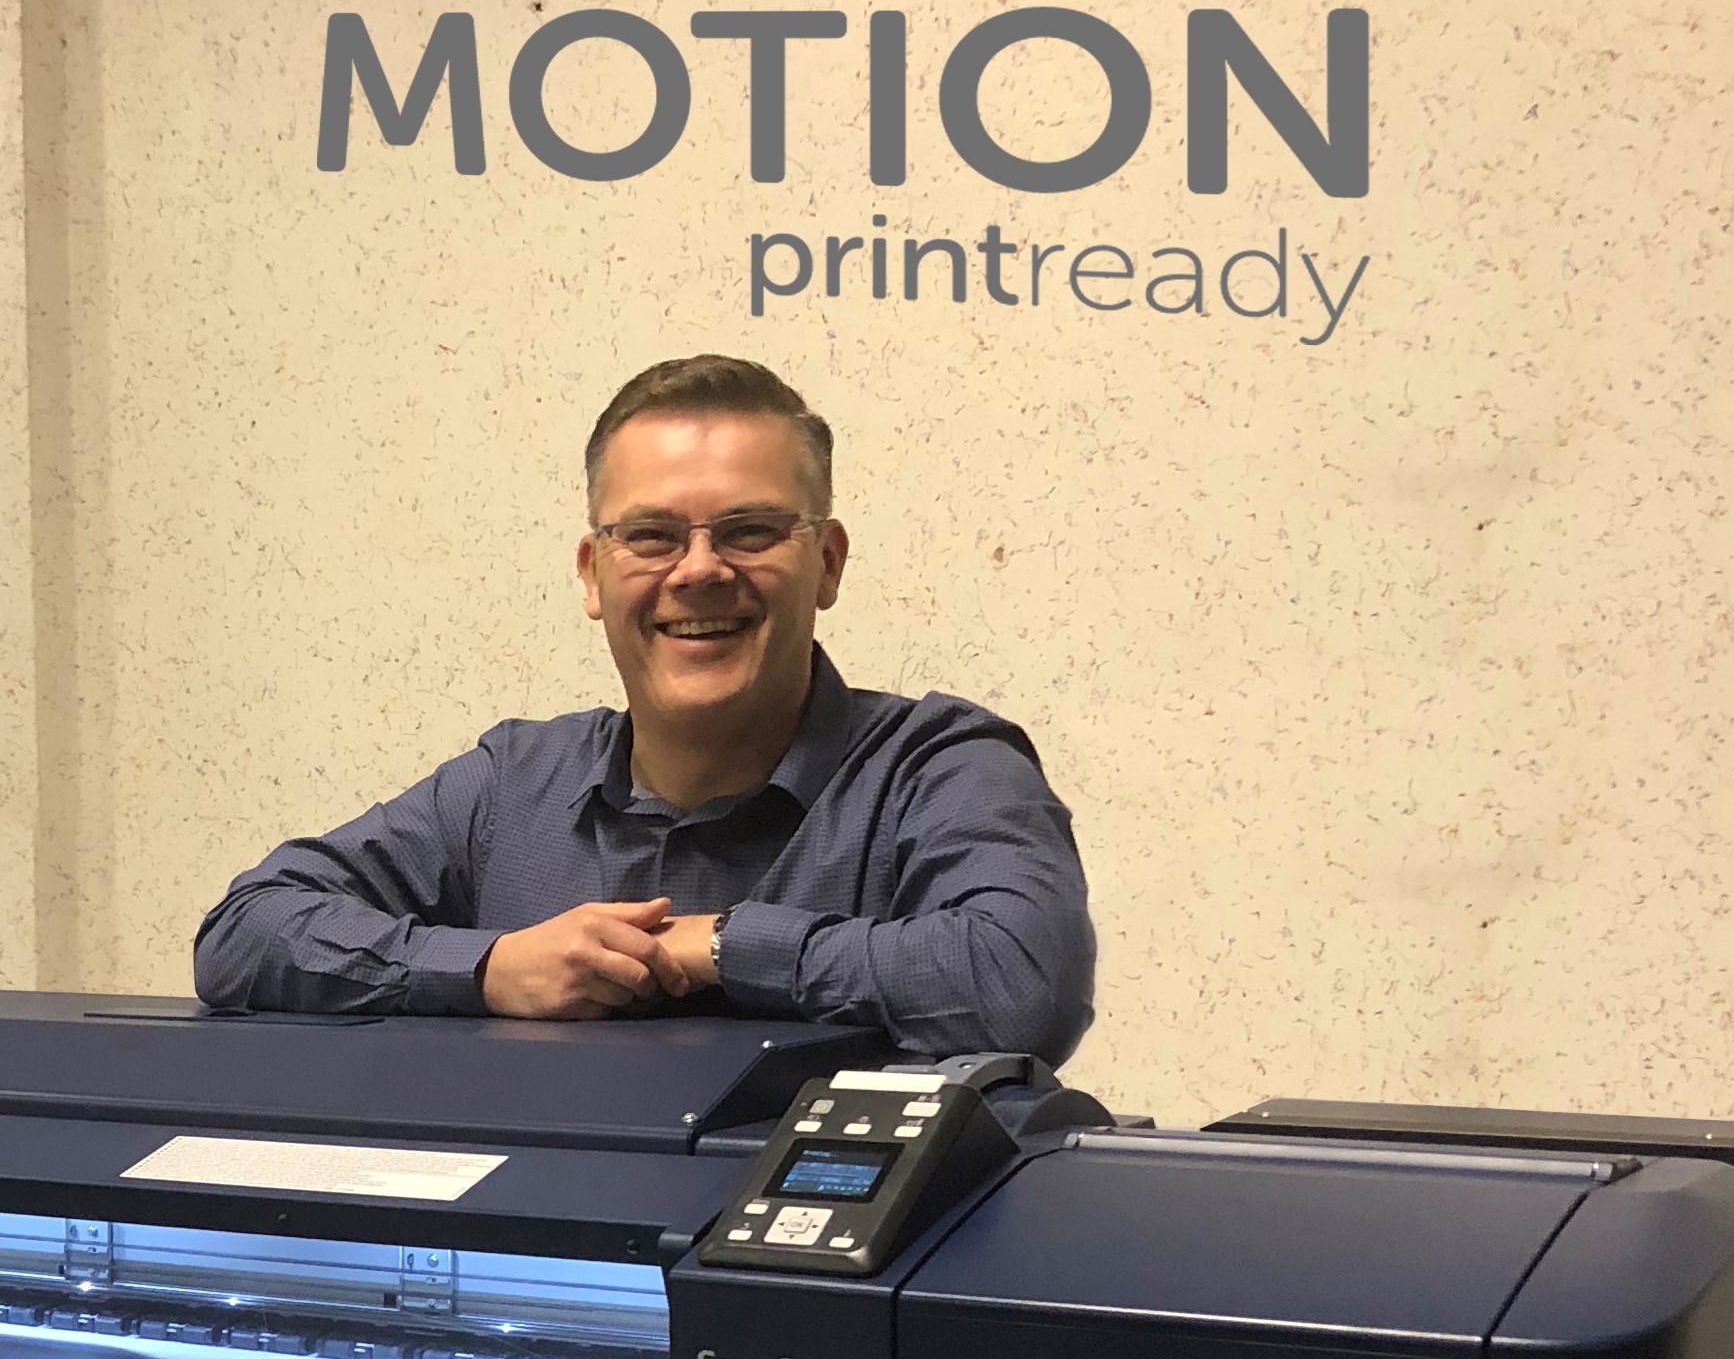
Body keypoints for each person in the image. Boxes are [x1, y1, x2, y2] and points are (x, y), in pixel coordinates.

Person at [192, 356, 1095, 1061]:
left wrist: (719, 945)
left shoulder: (939, 767)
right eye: (653, 535)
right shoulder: (513, 785)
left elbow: (1025, 983)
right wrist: (487, 968)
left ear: (826, 564)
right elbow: (244, 932)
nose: (699, 569)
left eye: (749, 530)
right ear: (594, 574)